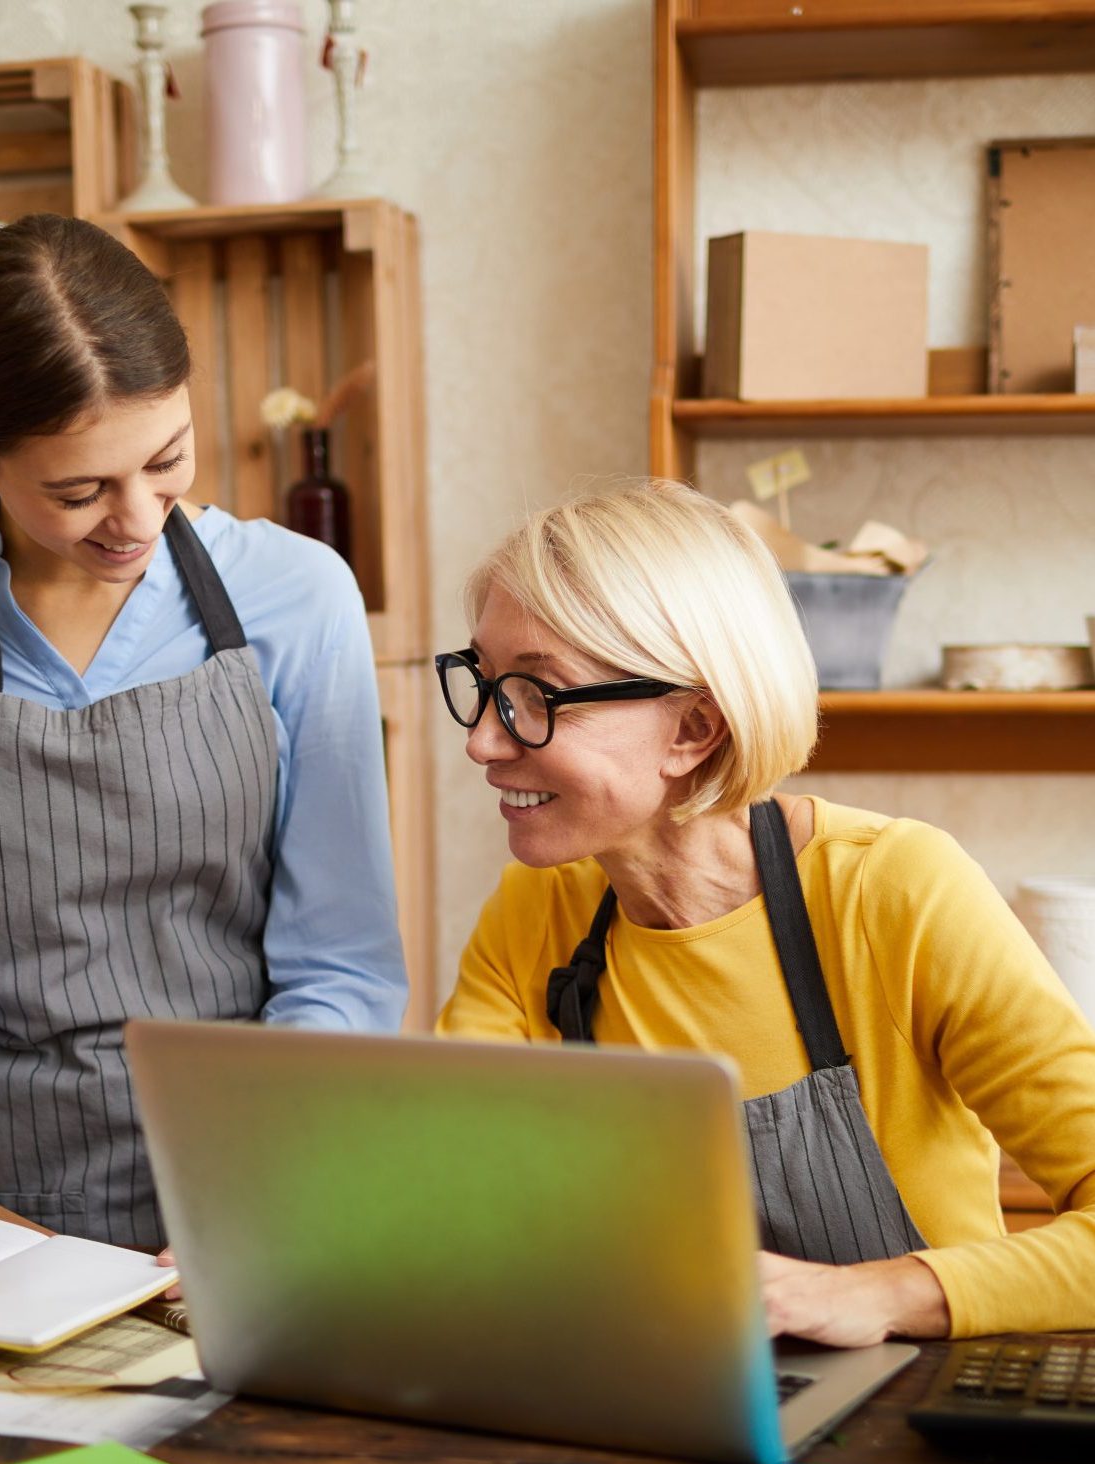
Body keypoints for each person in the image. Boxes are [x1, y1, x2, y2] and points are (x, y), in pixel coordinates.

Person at [0, 214, 406, 1286]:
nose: (134, 520)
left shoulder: (299, 595)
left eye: (166, 461)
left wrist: (263, 1178)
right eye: (77, 492)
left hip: (258, 1181)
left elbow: (341, 961)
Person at [435, 480, 1095, 1346]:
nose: (483, 739)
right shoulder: (538, 909)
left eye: (533, 695)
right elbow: (449, 1191)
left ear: (694, 728)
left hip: (902, 1419)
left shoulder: (894, 890)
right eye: (483, 685)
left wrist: (877, 1295)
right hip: (642, 1397)